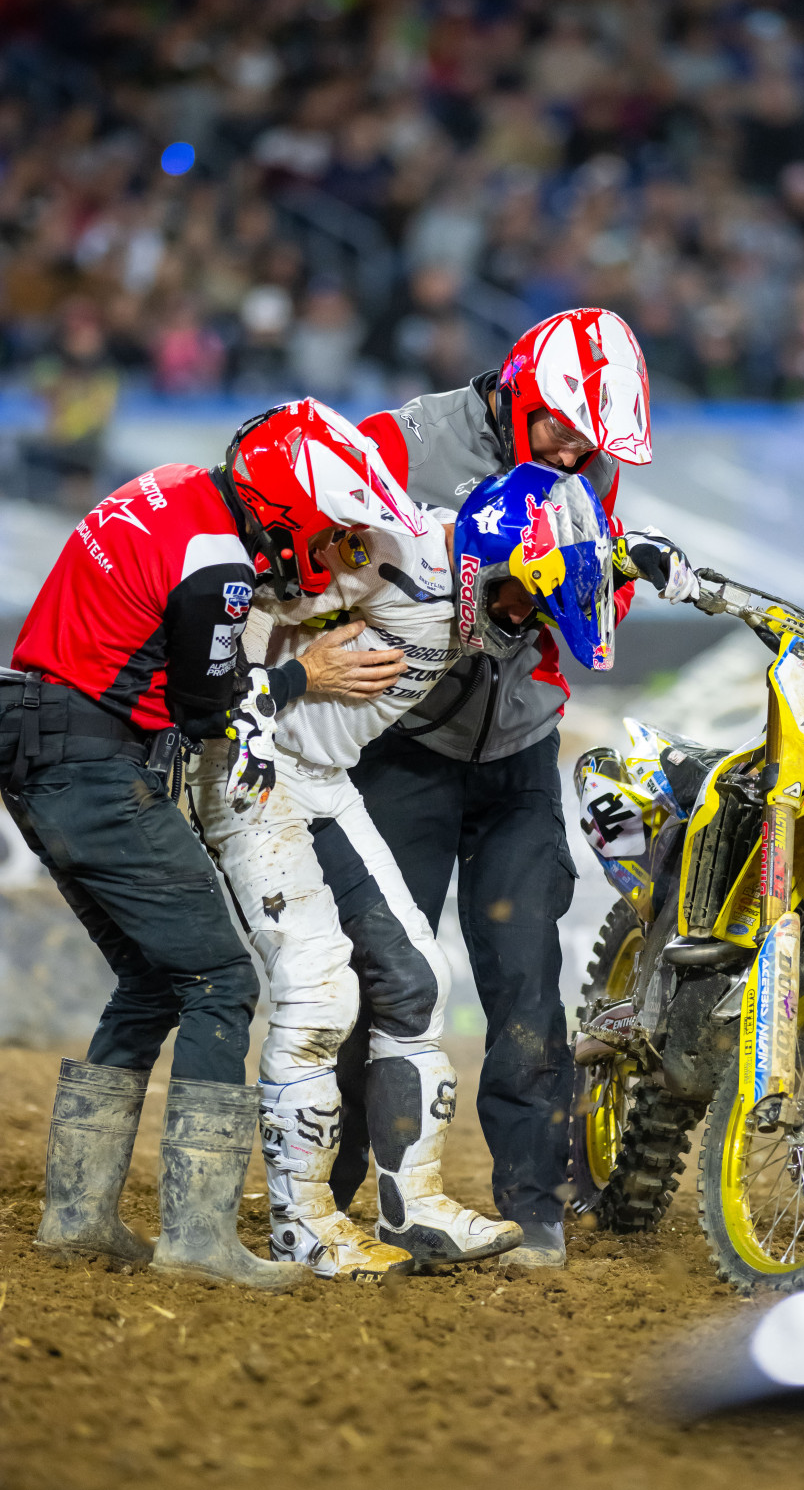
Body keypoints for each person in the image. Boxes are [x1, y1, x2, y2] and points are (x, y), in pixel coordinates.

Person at [1, 401, 423, 1289]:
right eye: (329, 533)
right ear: (288, 512)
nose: (331, 553)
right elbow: (208, 709)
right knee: (221, 981)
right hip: (91, 760)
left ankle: (78, 1217)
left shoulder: (171, 488)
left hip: (40, 742)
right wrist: (307, 672)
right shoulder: (219, 563)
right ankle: (198, 1235)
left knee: (152, 979)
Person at [325, 307, 698, 1267]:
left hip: (520, 752)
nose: (576, 454)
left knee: (527, 981)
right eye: (563, 431)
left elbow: (596, 595)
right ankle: (327, 1192)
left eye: (592, 445)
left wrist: (604, 573)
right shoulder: (397, 444)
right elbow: (323, 574)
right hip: (402, 747)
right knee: (379, 977)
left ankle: (534, 1209)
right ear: (519, 393)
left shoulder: (588, 467)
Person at [185, 399, 522, 1278]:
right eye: (519, 598)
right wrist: (294, 675)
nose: (520, 620)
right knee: (318, 991)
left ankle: (413, 1206)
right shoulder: (397, 555)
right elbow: (263, 598)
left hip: (325, 780)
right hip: (252, 767)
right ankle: (301, 1224)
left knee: (418, 979)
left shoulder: (451, 563)